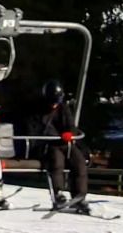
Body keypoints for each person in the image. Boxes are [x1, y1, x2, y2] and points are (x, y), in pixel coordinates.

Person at [30, 79, 90, 213]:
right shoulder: (39, 110)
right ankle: (58, 193)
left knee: (79, 162)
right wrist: (54, 137)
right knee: (57, 162)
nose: (54, 105)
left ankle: (79, 196)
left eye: (57, 101)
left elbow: (71, 125)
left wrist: (69, 133)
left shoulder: (63, 108)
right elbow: (38, 129)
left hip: (65, 143)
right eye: (52, 102)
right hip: (49, 145)